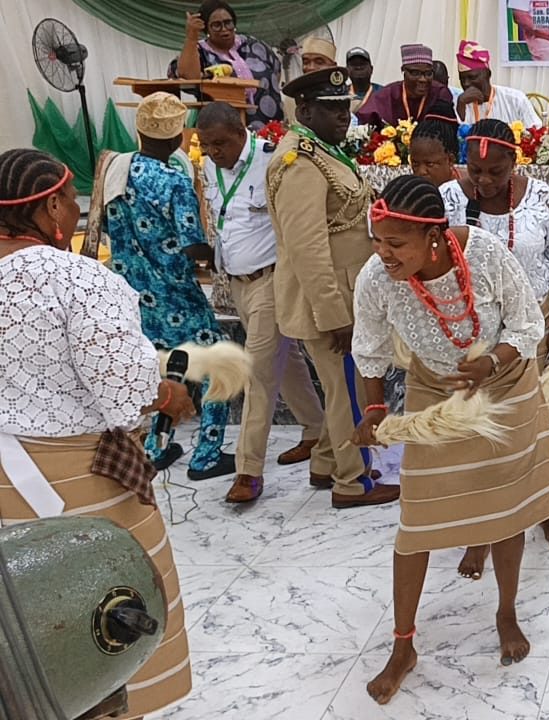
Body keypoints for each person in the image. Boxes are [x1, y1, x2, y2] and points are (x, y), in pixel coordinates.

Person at [354, 175, 549, 704]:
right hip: (436, 390)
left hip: (505, 385)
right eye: (377, 241)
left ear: (434, 237)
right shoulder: (377, 277)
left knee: (507, 511)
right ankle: (403, 645)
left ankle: (506, 613)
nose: (383, 254)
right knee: (416, 526)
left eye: (395, 243)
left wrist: (490, 363)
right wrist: (375, 410)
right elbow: (370, 347)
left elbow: (526, 326)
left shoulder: (487, 255)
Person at [0, 148, 195, 718]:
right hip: (80, 481)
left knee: (27, 625)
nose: (76, 210)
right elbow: (126, 389)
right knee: (108, 612)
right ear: (50, 209)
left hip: (6, 487)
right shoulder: (76, 278)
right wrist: (169, 393)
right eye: (71, 199)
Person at [439, 118, 549, 578]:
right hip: (471, 335)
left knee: (537, 423)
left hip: (532, 327)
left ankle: (544, 506)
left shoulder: (540, 196)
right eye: (475, 170)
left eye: (495, 172)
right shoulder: (448, 199)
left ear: (514, 162)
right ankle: (482, 530)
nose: (483, 181)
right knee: (481, 430)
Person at [267, 68, 399, 508]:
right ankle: (352, 482)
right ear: (304, 111)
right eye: (331, 108)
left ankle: (326, 464)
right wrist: (334, 316)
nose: (343, 116)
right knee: (347, 393)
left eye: (345, 107)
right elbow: (307, 248)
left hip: (345, 292)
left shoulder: (321, 150)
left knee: (340, 389)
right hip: (329, 303)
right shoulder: (299, 164)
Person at [93, 92, 234, 481]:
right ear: (177, 136)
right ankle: (207, 455)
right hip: (177, 293)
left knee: (164, 369)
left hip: (135, 294)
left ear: (140, 131)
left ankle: (156, 447)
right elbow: (192, 245)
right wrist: (220, 252)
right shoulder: (174, 180)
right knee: (217, 365)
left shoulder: (116, 171)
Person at [195, 102, 328, 503]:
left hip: (271, 280)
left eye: (220, 143)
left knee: (257, 371)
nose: (213, 152)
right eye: (206, 145)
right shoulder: (209, 167)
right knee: (288, 363)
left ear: (241, 133)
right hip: (236, 282)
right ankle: (316, 429)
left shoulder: (273, 161)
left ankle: (248, 470)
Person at [172, 0, 283, 130]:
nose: (224, 29)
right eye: (216, 25)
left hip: (270, 125)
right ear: (206, 28)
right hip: (223, 129)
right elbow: (188, 78)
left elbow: (276, 71)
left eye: (228, 23)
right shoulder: (199, 51)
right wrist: (191, 38)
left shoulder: (254, 45)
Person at [356, 44, 454, 127]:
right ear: (403, 71)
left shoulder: (440, 93)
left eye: (428, 73)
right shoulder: (387, 95)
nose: (423, 79)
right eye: (415, 73)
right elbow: (364, 124)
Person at [456, 40, 543, 128]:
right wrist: (460, 107)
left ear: (488, 74)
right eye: (462, 79)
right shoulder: (459, 102)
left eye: (472, 77)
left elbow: (537, 130)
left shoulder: (515, 99)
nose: (466, 84)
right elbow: (457, 134)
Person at [408, 104, 463, 188]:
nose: (421, 172)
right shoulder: (409, 190)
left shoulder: (466, 190)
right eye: (415, 164)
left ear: (450, 160)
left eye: (429, 164)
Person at [347, 47, 382, 113]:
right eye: (354, 64)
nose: (358, 67)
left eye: (362, 64)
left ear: (371, 69)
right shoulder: (341, 95)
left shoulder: (383, 93)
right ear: (347, 70)